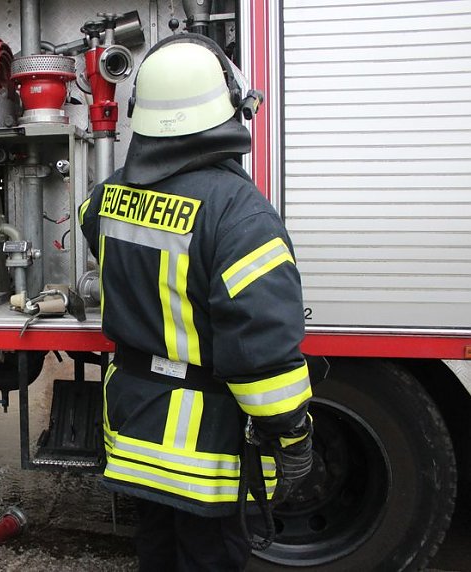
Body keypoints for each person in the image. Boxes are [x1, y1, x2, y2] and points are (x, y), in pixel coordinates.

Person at [79, 33, 313, 570]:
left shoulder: (109, 195)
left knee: (157, 552)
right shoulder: (241, 217)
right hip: (203, 450)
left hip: (136, 430)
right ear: (227, 109)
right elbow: (262, 355)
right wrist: (292, 435)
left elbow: (100, 236)